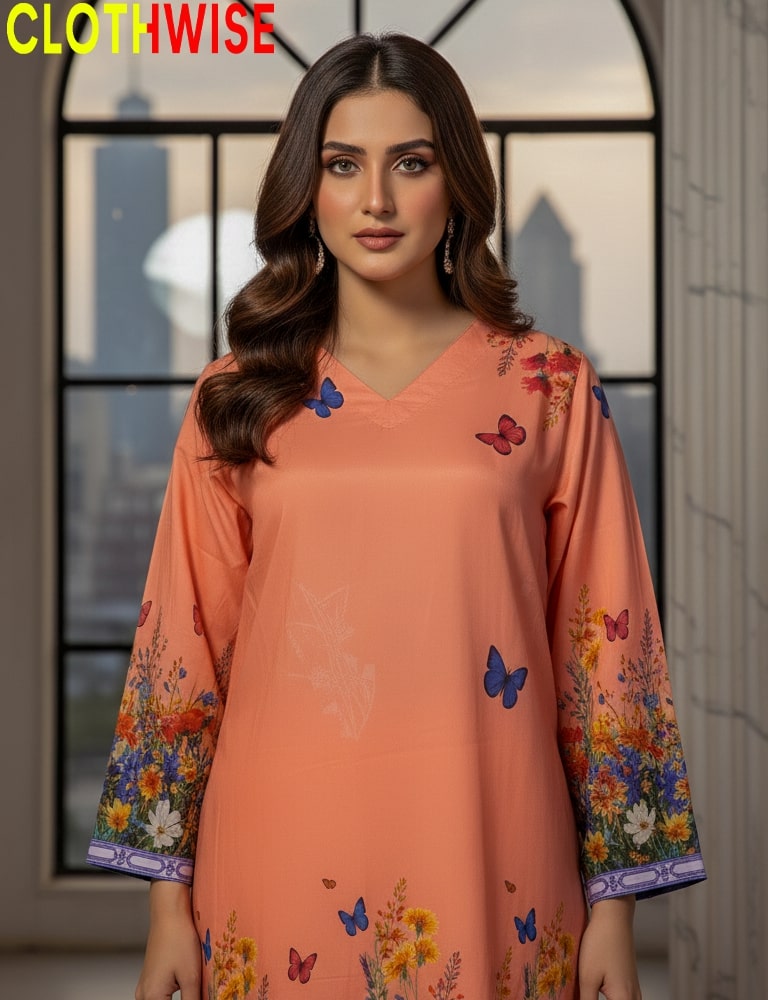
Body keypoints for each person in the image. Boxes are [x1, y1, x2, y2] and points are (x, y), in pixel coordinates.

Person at [88, 32, 705, 1000]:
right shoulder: (239, 394)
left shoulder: (551, 387)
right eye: (343, 165)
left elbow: (609, 651)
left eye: (410, 163)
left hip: (499, 853)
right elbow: (184, 644)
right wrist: (168, 908)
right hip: (276, 861)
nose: (376, 199)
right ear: (309, 186)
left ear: (455, 181)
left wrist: (615, 910)